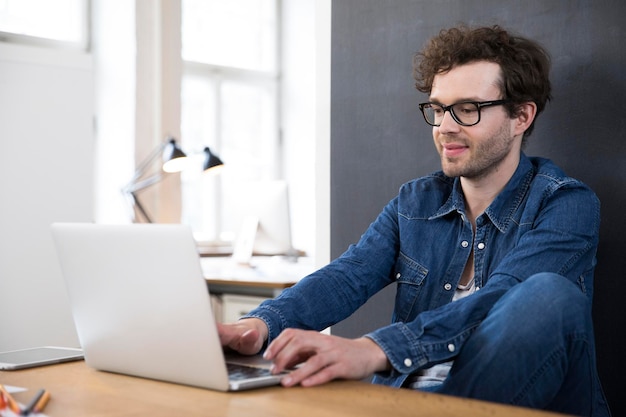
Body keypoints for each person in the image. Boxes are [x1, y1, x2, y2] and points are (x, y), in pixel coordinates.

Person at [218, 24, 611, 416]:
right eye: (439, 109)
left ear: (521, 116)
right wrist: (259, 325)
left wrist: (374, 349)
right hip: (405, 400)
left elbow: (503, 297)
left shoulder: (566, 203)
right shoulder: (417, 201)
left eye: (468, 109)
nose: (445, 127)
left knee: (549, 295)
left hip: (509, 399)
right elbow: (349, 275)